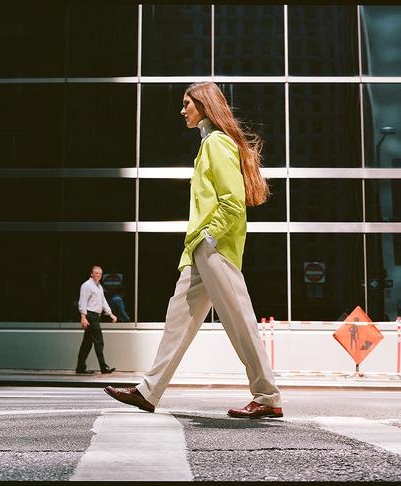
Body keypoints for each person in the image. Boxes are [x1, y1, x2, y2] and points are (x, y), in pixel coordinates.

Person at [105, 82, 282, 418]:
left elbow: (232, 202)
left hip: (215, 250)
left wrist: (208, 237)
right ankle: (148, 391)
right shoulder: (208, 144)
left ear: (204, 105)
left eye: (187, 103)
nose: (182, 109)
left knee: (240, 322)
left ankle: (268, 397)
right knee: (178, 322)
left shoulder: (217, 143)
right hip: (200, 251)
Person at [76, 265, 117, 374]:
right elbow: (82, 301)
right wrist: (83, 317)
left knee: (87, 344)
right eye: (96, 273)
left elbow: (103, 301)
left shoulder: (99, 287)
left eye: (100, 274)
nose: (98, 275)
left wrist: (110, 314)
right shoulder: (86, 286)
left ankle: (80, 367)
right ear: (91, 274)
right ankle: (103, 367)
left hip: (95, 316)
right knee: (99, 341)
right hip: (90, 316)